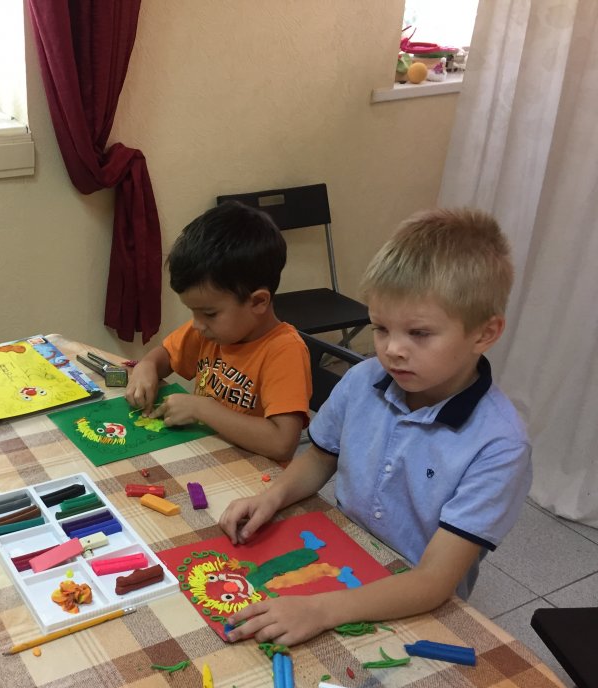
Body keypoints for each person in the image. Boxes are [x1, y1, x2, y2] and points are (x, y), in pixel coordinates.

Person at [219, 207, 532, 646]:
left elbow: (433, 582)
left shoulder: (499, 444)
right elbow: (320, 458)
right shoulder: (363, 379)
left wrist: (320, 610)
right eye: (381, 328)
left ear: (484, 333)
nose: (392, 350)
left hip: (411, 603)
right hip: (339, 556)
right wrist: (272, 497)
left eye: (419, 333)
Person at [125, 201, 311, 461]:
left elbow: (282, 443)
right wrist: (147, 367)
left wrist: (202, 409)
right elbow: (165, 355)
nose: (197, 324)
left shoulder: (285, 351)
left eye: (209, 313)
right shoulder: (211, 331)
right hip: (207, 455)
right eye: (193, 312)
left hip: (253, 472)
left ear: (258, 301)